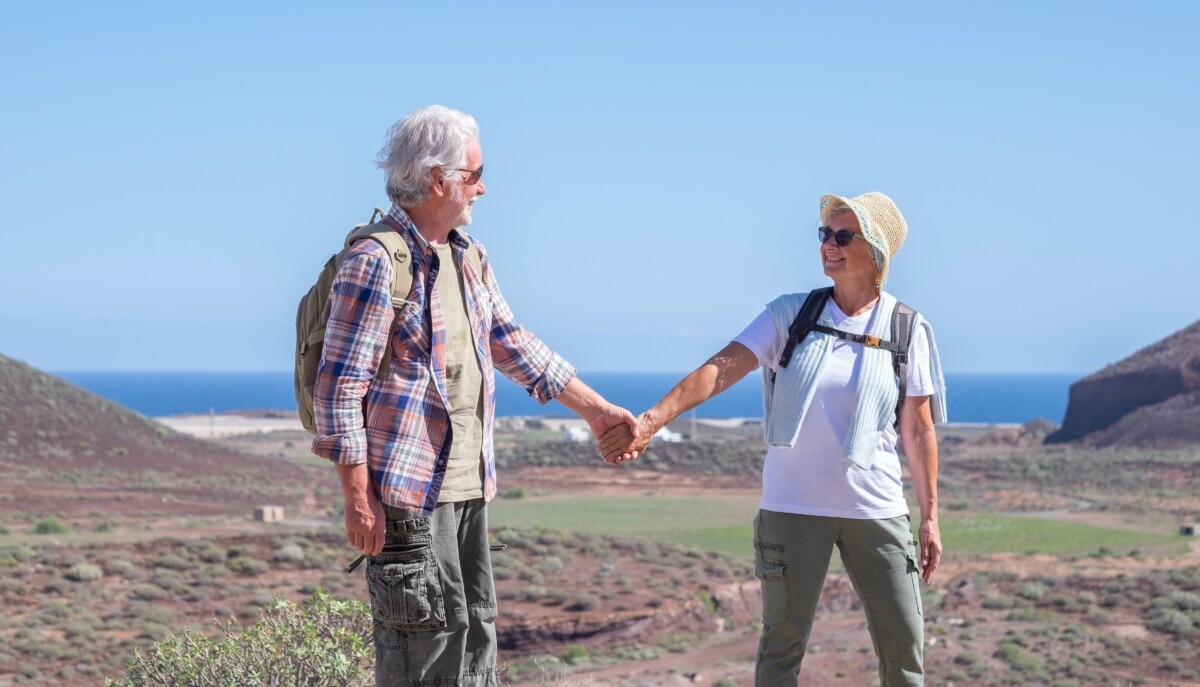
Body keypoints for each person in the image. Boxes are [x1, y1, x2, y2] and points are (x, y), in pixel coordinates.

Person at [311, 105, 635, 686]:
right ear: (439, 180)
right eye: (474, 174)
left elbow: (511, 343)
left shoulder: (468, 255)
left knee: (474, 646)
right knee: (425, 657)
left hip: (468, 490)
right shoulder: (374, 262)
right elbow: (339, 389)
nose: (483, 188)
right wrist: (358, 497)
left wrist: (597, 411)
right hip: (407, 501)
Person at [601, 192, 947, 686]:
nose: (829, 244)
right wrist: (652, 421)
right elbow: (719, 370)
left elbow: (918, 428)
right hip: (792, 510)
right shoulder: (790, 315)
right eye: (824, 234)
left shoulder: (907, 328)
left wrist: (931, 517)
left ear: (876, 251)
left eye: (843, 236)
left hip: (876, 511)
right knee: (781, 648)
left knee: (903, 647)